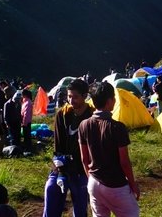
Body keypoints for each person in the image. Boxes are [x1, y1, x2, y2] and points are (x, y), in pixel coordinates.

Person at [78, 82, 140, 217]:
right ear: (109, 101)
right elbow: (124, 162)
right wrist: (133, 184)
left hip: (94, 182)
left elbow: (84, 158)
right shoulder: (117, 127)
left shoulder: (83, 125)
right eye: (114, 98)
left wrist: (91, 178)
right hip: (115, 184)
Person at [43, 78, 93, 217]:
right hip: (62, 165)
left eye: (75, 97)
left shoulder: (91, 116)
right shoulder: (63, 114)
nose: (71, 100)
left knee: (81, 201)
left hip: (83, 169)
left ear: (85, 96)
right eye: (69, 96)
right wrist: (60, 171)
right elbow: (58, 145)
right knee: (51, 189)